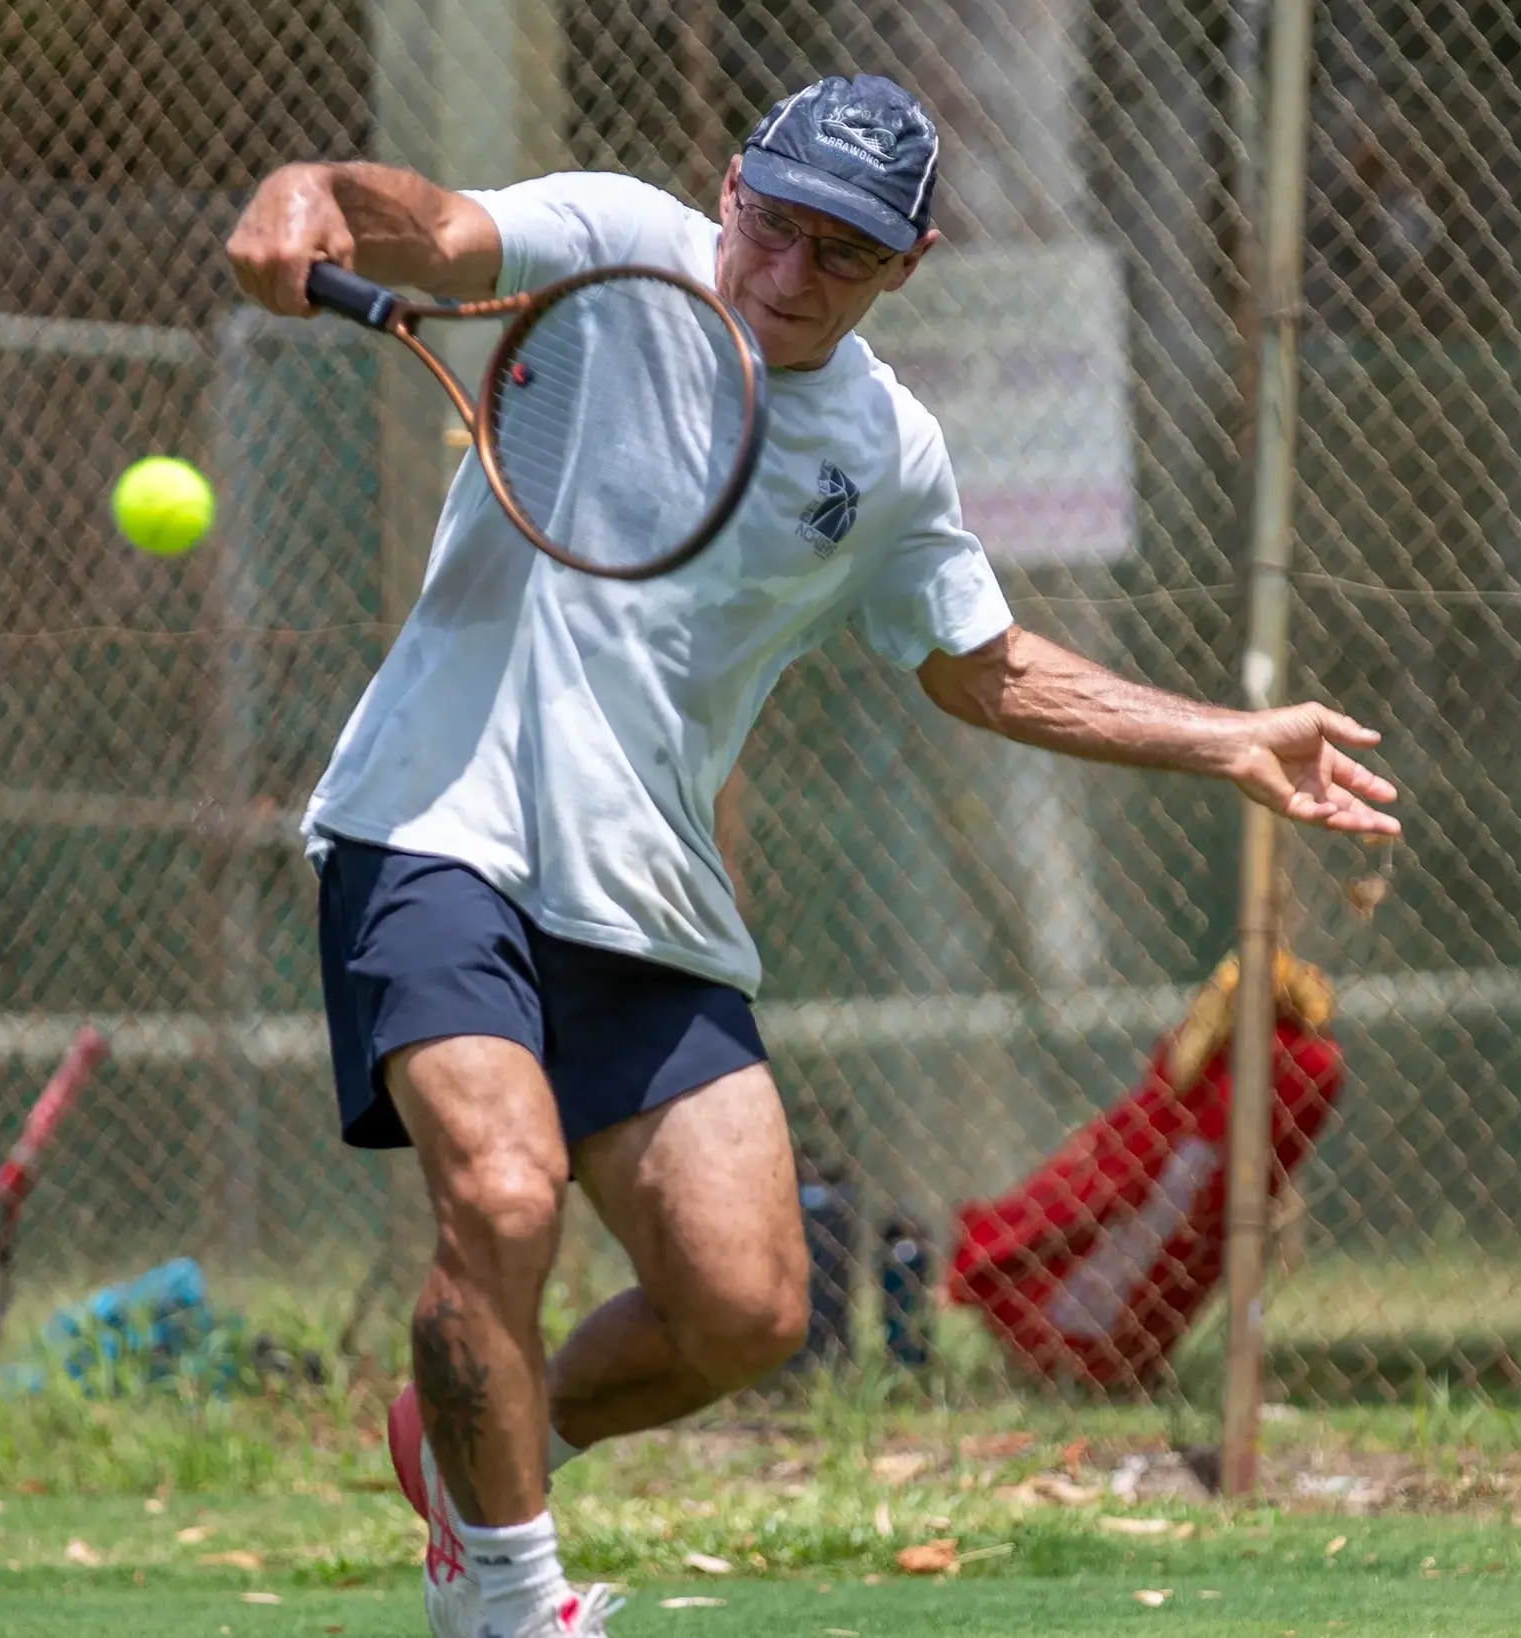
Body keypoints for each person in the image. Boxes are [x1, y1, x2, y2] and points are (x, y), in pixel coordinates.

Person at [228, 71, 1399, 1638]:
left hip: (644, 899)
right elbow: (432, 226)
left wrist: (1224, 738)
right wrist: (311, 186)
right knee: (501, 1201)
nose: (784, 275)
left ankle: (479, 1444)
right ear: (728, 187)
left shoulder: (891, 454)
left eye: (839, 254)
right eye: (771, 225)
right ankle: (509, 1602)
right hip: (433, 828)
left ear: (906, 265)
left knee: (749, 1304)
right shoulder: (609, 247)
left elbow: (981, 665)